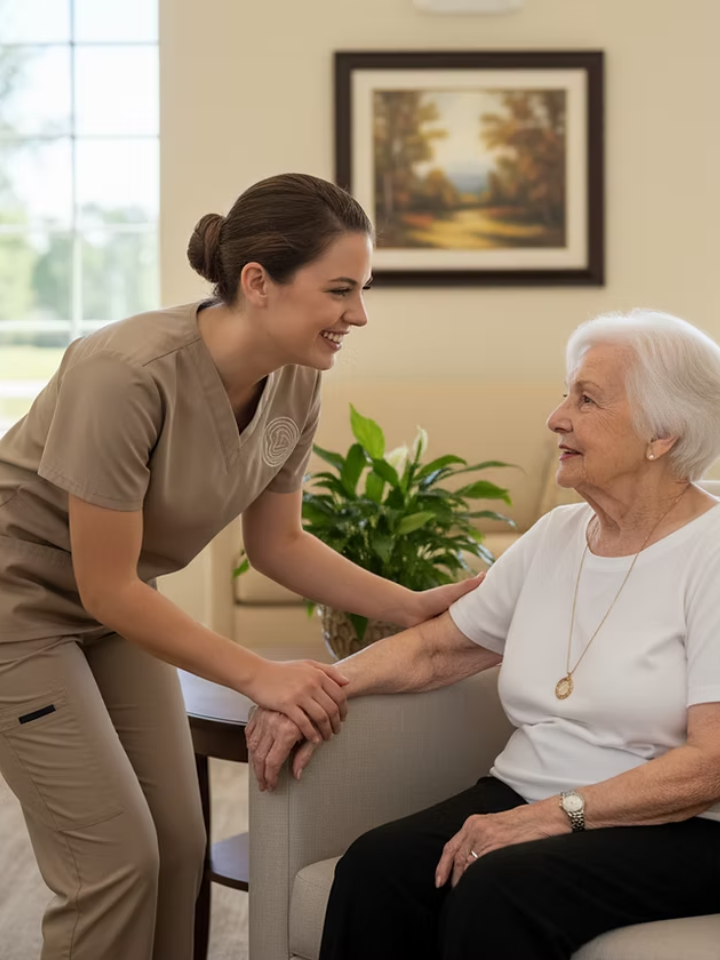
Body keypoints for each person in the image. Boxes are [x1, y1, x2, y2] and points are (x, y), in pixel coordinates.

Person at [0, 173, 477, 960]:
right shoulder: (123, 372)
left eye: (362, 291)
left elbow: (278, 544)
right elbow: (105, 584)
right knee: (114, 864)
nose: (358, 315)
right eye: (340, 291)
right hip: (17, 607)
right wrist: (261, 675)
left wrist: (410, 606)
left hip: (117, 605)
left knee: (179, 845)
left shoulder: (296, 378)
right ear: (258, 282)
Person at [247, 308, 720, 960]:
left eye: (586, 400)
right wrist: (319, 686)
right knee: (377, 868)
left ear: (662, 434)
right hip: (525, 790)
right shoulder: (557, 536)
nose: (556, 418)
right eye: (566, 395)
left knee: (498, 889)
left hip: (680, 826)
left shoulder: (710, 553)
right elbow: (439, 647)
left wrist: (553, 816)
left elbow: (710, 763)